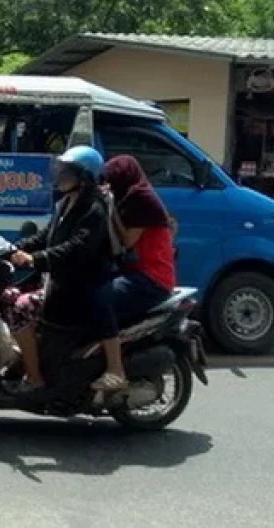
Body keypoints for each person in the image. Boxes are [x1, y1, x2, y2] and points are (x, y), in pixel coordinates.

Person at [1, 146, 117, 390]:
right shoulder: (66, 203)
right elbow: (45, 236)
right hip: (58, 282)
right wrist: (11, 249)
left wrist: (34, 259)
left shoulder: (93, 209)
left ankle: (35, 377)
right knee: (4, 296)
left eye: (68, 171)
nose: (61, 175)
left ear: (84, 178)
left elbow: (76, 249)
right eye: (62, 169)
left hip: (78, 289)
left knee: (21, 308)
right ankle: (24, 357)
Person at [91, 155, 177, 391]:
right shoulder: (130, 196)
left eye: (112, 179)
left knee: (100, 301)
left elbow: (127, 239)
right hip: (137, 272)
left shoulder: (141, 199)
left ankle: (115, 370)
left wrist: (111, 209)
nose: (110, 185)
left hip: (151, 278)